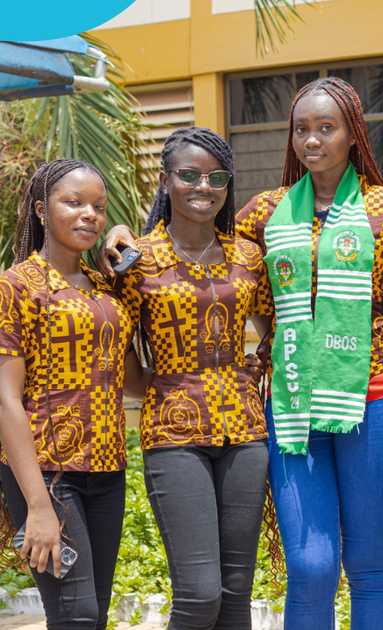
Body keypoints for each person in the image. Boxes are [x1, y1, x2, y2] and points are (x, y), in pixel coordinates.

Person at [234, 77, 383, 630]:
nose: (311, 140)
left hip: (376, 399)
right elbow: (213, 268)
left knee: (369, 566)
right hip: (292, 399)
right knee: (311, 566)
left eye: (326, 128)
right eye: (302, 129)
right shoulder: (263, 214)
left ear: (353, 135)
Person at [118, 127, 273, 627]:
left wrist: (255, 368)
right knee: (199, 592)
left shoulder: (247, 256)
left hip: (245, 434)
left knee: (236, 596)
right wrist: (158, 386)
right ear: (166, 182)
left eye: (216, 177)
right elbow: (115, 345)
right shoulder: (135, 261)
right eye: (189, 175)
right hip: (173, 435)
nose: (203, 186)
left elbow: (277, 326)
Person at [0, 159, 136, 629]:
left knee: (93, 613)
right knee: (77, 616)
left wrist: (128, 240)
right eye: (73, 203)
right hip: (50, 475)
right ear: (40, 210)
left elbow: (130, 378)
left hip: (108, 471)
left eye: (99, 207)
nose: (89, 214)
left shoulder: (107, 289)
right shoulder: (15, 287)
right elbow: (6, 401)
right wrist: (38, 507)